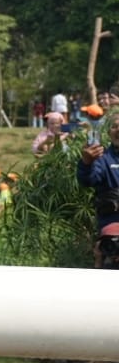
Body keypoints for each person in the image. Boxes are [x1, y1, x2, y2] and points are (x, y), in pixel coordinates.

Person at [76, 114, 119, 268]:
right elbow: (87, 180)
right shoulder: (102, 158)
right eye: (114, 126)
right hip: (112, 228)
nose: (118, 129)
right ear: (108, 133)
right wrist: (86, 163)